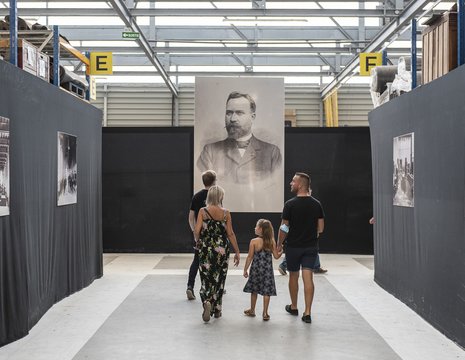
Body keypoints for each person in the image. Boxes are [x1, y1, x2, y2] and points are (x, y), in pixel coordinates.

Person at [197, 91, 282, 184]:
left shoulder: (272, 153)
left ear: (252, 117)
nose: (233, 119)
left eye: (239, 113)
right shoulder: (210, 151)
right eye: (229, 113)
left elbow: (274, 186)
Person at [277, 172, 325, 324]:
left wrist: (278, 244)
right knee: (308, 277)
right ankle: (308, 312)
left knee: (293, 276)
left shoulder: (290, 204)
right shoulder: (317, 204)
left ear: (300, 184)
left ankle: (294, 306)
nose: (291, 183)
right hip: (310, 247)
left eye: (293, 181)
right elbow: (321, 228)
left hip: (293, 247)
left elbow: (284, 227)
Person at [194, 185, 241, 322]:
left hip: (206, 248)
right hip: (222, 249)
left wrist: (198, 241)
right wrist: (237, 251)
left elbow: (197, 231)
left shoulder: (203, 212)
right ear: (220, 197)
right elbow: (230, 233)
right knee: (219, 278)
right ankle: (218, 308)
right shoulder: (226, 213)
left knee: (206, 277)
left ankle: (206, 301)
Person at [186, 170, 217, 300]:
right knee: (214, 261)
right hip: (213, 236)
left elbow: (191, 217)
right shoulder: (216, 197)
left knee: (197, 260)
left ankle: (190, 286)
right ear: (214, 181)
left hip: (200, 235)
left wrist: (195, 233)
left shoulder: (196, 196)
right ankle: (214, 287)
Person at [243, 219, 282, 321]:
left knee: (254, 290)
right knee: (266, 292)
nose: (254, 228)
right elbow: (276, 256)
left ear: (260, 229)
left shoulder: (254, 241)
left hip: (255, 270)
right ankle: (265, 313)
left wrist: (245, 269)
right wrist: (281, 251)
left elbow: (249, 257)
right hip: (267, 271)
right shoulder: (271, 241)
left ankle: (252, 310)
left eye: (256, 226)